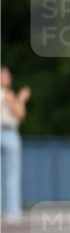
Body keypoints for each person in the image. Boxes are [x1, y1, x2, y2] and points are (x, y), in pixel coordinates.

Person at [1, 67, 30, 221]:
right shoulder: (6, 94)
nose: (8, 79)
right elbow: (19, 113)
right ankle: (12, 211)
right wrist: (21, 99)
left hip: (6, 130)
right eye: (5, 77)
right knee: (11, 173)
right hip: (7, 132)